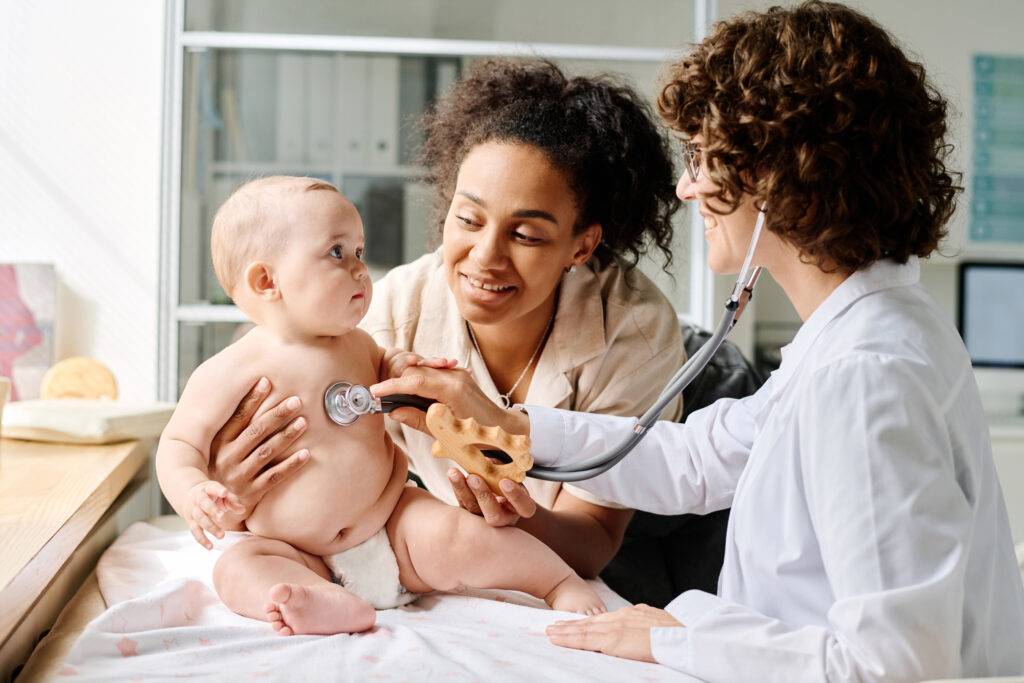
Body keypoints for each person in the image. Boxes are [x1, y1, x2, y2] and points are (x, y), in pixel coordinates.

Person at [369, 2, 1024, 680]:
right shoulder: (863, 334)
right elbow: (699, 458)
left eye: (700, 158)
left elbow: (896, 665)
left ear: (773, 177)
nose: (685, 187)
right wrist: (510, 424)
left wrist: (678, 639)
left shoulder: (866, 375)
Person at [205, 58, 688, 582]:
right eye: (468, 219)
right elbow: (269, 355)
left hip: (621, 550)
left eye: (526, 235)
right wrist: (238, 479)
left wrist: (512, 517)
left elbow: (592, 544)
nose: (486, 257)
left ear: (582, 245)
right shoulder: (390, 316)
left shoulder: (632, 334)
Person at [155, 176, 605, 638]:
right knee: (237, 569)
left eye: (359, 252)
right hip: (293, 549)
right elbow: (178, 444)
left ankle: (557, 583)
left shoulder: (360, 343)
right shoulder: (229, 370)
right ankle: (322, 601)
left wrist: (403, 366)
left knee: (465, 537)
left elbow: (387, 372)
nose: (358, 269)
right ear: (267, 281)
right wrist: (193, 493)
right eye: (337, 252)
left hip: (393, 523)